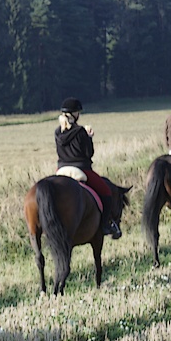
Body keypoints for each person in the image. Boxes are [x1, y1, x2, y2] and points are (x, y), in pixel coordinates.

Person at [55, 97, 122, 239]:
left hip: (61, 170)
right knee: (106, 192)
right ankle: (105, 225)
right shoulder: (80, 132)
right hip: (81, 169)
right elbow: (89, 153)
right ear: (74, 114)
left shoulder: (57, 132)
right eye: (78, 112)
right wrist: (89, 137)